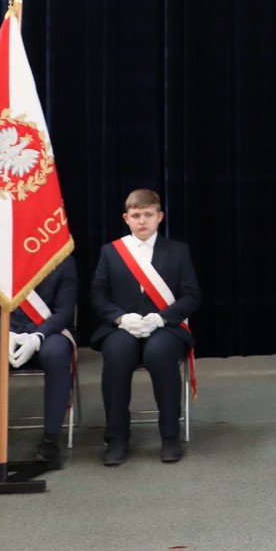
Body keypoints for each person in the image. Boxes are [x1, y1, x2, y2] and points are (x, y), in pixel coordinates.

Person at [90, 189, 200, 466]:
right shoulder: (111, 252)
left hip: (165, 326)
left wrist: (161, 319)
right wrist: (119, 318)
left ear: (159, 217)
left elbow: (191, 296)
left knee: (159, 354)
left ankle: (170, 435)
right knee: (117, 354)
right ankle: (116, 438)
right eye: (136, 215)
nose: (142, 221)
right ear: (126, 218)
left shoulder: (177, 251)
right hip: (122, 327)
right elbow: (97, 295)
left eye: (148, 214)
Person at [0, 255, 78, 471]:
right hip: (8, 333)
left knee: (56, 356)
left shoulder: (61, 258)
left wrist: (38, 336)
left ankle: (50, 440)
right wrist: (6, 334)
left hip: (49, 333)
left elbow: (64, 313)